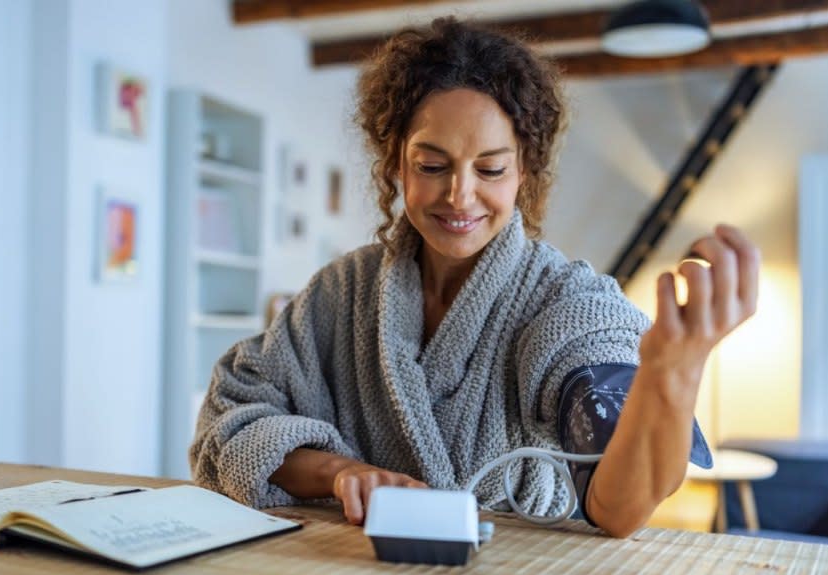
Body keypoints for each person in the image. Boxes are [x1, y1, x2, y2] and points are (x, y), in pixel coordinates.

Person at [189, 17, 759, 538]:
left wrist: (671, 371)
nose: (459, 195)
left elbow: (619, 509)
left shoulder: (569, 304)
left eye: (490, 168)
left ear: (523, 173)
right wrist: (341, 472)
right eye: (431, 166)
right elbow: (230, 421)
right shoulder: (342, 293)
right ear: (394, 163)